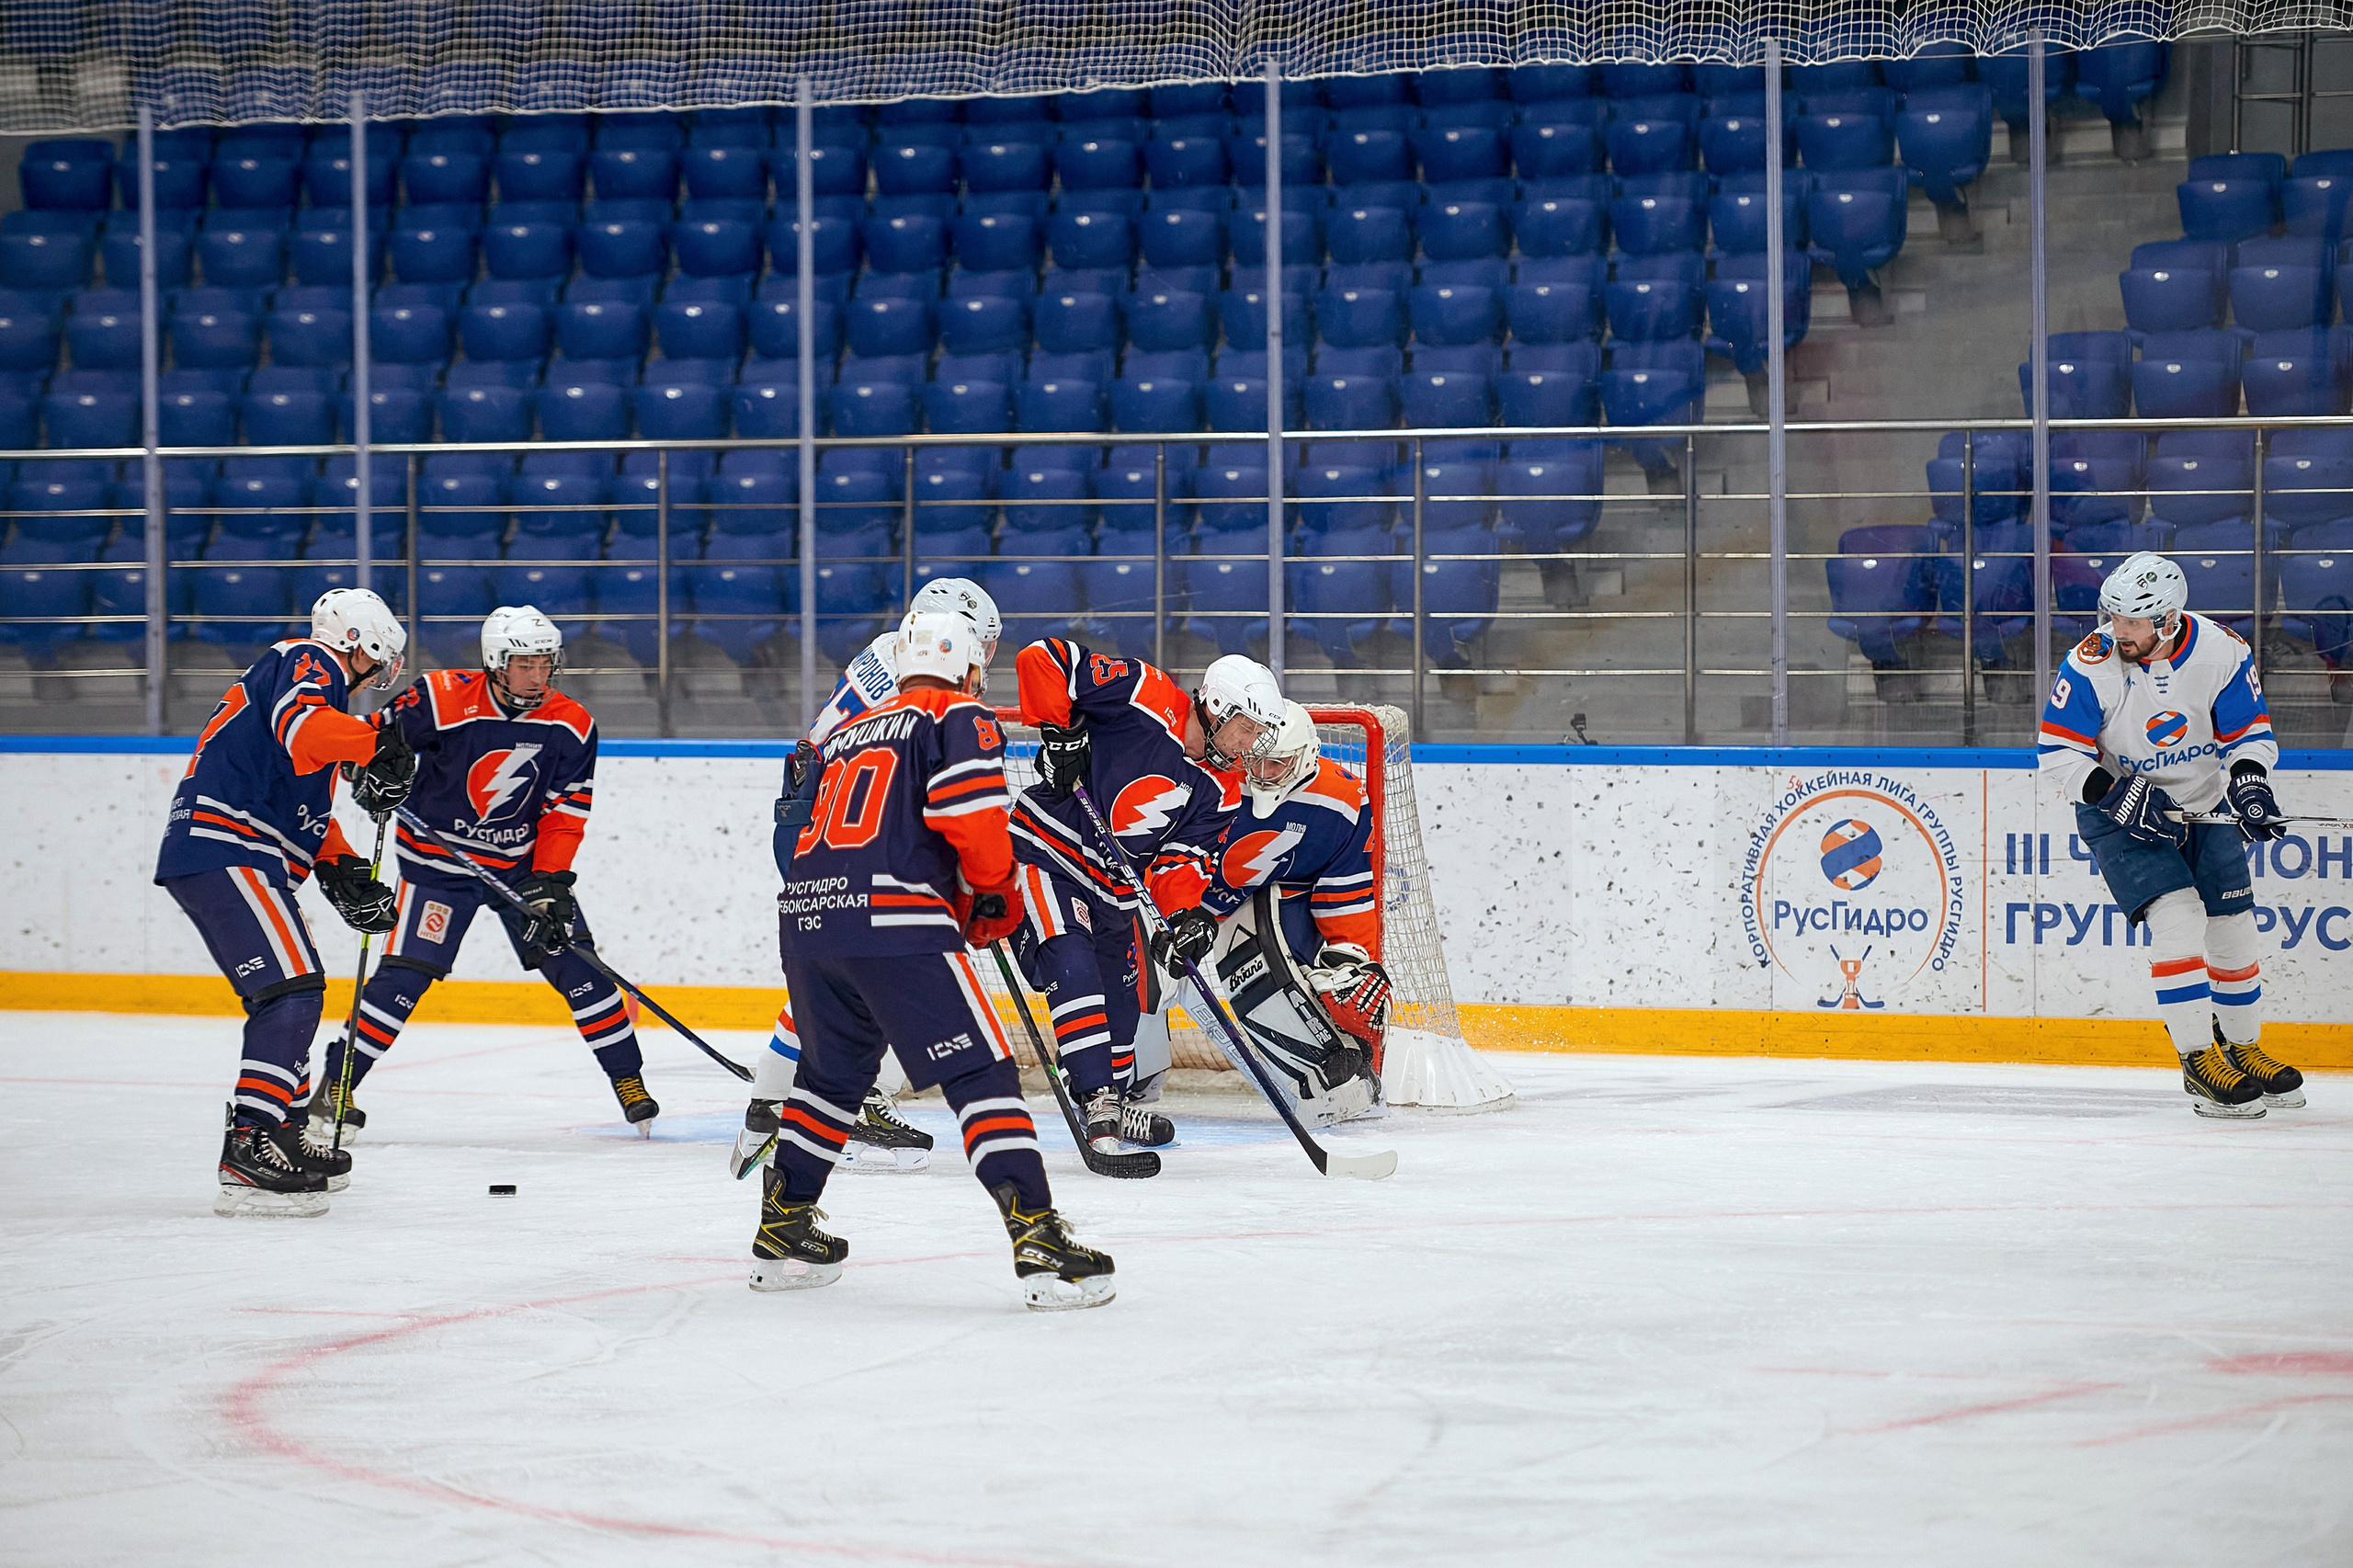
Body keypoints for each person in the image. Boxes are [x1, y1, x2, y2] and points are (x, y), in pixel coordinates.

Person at [756, 608, 1114, 1311]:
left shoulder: (850, 729)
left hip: (807, 920)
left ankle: (783, 1224)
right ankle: (1038, 1234)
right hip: (894, 923)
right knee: (981, 1069)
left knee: (830, 1080)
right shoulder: (958, 716)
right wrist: (994, 891)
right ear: (968, 667)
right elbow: (969, 818)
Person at [310, 606, 658, 1144]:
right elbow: (368, 739)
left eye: (545, 664)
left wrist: (551, 881)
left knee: (580, 967)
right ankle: (337, 1085)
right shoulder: (440, 697)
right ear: (496, 662)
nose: (539, 676)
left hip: (520, 869)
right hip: (436, 867)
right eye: (525, 665)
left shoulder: (572, 724)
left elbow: (565, 812)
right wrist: (364, 767)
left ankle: (627, 1078)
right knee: (405, 977)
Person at [153, 588, 416, 1216]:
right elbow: (304, 725)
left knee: (289, 991)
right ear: (361, 642)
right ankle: (250, 1142)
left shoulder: (321, 706)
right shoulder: (309, 660)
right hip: (225, 848)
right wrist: (375, 742)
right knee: (292, 990)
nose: (380, 674)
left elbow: (300, 809)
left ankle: (284, 1132)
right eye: (380, 659)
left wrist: (342, 868)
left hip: (239, 852)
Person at [731, 579, 1003, 1178]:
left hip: (815, 822)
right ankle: (852, 1102)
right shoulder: (922, 674)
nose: (983, 661)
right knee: (886, 963)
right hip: (847, 833)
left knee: (844, 970)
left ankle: (770, 1103)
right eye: (979, 645)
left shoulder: (887, 653)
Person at [2038, 551, 2305, 1119]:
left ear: (2167, 620)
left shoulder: (2222, 650)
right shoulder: (2090, 664)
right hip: (2117, 811)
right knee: (2179, 920)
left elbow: (2248, 735)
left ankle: (2243, 1048)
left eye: (2132, 621)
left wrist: (2250, 786)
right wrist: (2119, 793)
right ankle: (2198, 1059)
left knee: (2234, 929)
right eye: (2113, 616)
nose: (2118, 630)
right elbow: (2058, 754)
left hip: (2204, 806)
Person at [1010, 641, 1282, 1152]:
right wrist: (1062, 733)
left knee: (1123, 1003)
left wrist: (1186, 917)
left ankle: (1111, 1099)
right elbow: (1043, 658)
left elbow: (1181, 861)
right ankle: (1098, 1100)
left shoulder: (1222, 790)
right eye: (1247, 729)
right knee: (1072, 960)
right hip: (1047, 852)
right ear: (1217, 707)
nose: (1251, 745)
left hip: (1113, 890)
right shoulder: (1145, 691)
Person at [1192, 700, 1392, 1121]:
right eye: (1254, 761)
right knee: (1141, 987)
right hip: (1188, 903)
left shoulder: (1341, 798)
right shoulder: (1213, 779)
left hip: (1279, 905)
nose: (1262, 773)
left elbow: (1344, 889)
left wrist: (1352, 959)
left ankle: (1335, 1073)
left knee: (1348, 989)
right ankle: (1127, 1078)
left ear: (1305, 757)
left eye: (1276, 763)